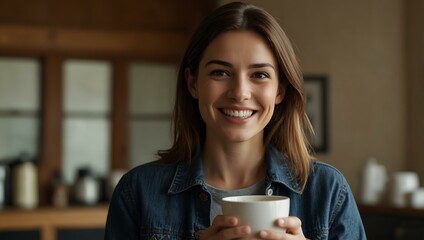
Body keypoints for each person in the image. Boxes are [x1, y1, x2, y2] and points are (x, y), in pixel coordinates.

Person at [104, 2, 366, 240]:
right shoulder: (138, 192)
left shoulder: (328, 191)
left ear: (280, 91)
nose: (240, 92)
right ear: (193, 83)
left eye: (260, 75)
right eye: (220, 72)